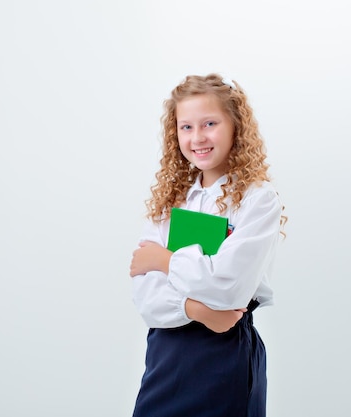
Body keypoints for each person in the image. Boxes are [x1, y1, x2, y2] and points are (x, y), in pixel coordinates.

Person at [129, 73, 285, 417]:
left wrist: (164, 261)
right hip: (166, 356)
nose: (197, 137)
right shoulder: (172, 201)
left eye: (209, 123)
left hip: (224, 354)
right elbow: (145, 296)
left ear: (236, 127)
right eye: (186, 127)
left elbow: (227, 287)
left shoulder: (257, 199)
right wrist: (198, 310)